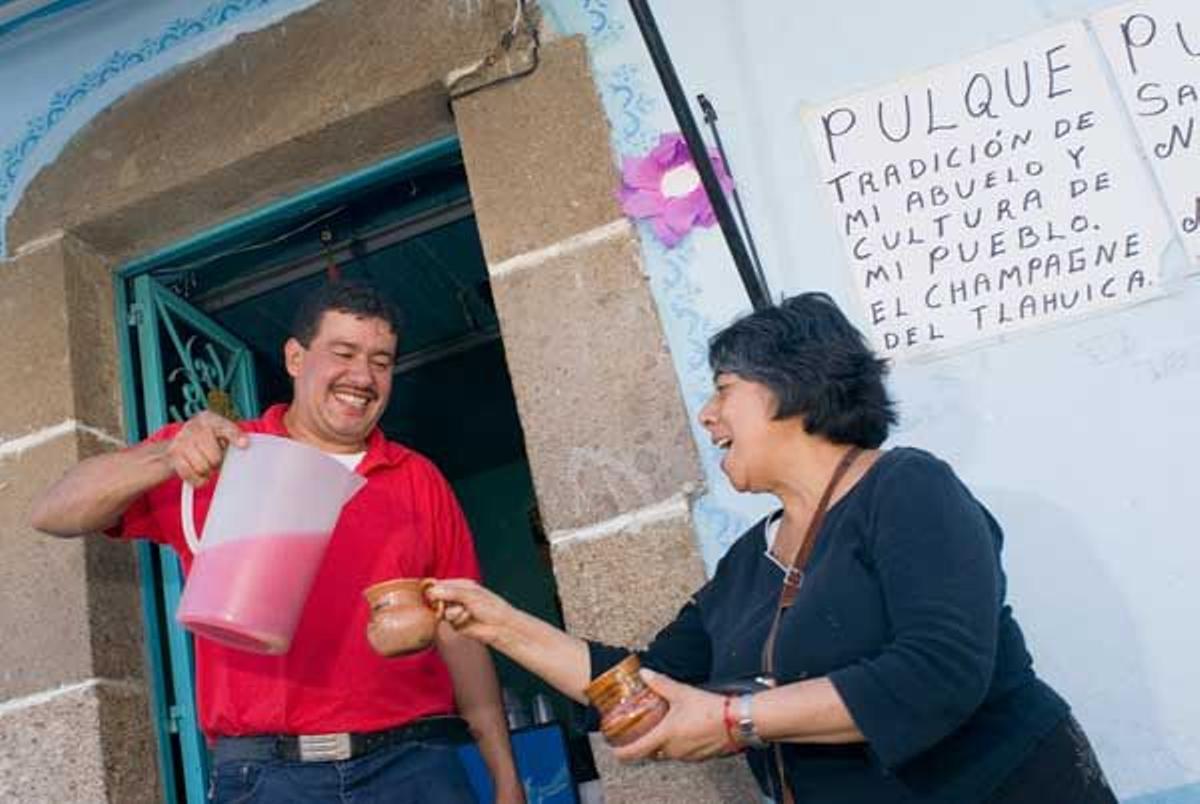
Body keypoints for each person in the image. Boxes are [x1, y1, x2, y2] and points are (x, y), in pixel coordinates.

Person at [429, 292, 1115, 803]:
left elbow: (938, 674)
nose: (707, 415)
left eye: (724, 390)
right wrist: (498, 624)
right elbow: (645, 682)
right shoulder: (745, 567)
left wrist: (735, 721)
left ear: (792, 388)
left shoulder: (907, 487)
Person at [30, 280, 524, 804]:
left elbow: (461, 633)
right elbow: (53, 511)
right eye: (343, 353)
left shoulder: (418, 479)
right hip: (265, 778)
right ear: (294, 357)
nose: (362, 376)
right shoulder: (224, 453)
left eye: (381, 361)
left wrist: (505, 776)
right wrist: (164, 456)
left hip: (413, 768)